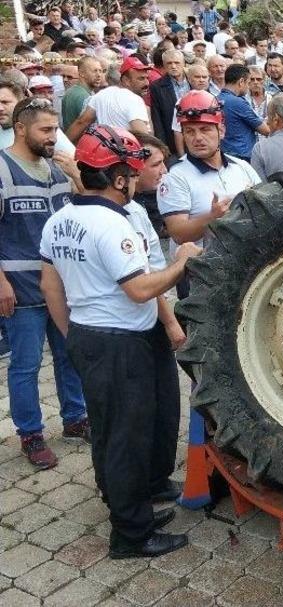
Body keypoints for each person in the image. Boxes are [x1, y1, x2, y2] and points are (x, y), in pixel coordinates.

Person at [40, 125, 199, 559]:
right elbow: (142, 288)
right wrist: (181, 261)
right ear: (117, 178)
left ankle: (132, 506)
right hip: (120, 340)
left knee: (114, 431)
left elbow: (50, 283)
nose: (134, 180)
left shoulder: (60, 219)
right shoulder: (113, 225)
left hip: (94, 335)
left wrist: (74, 334)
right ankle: (131, 534)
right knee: (125, 437)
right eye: (130, 172)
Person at [0, 97, 87, 470]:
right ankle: (31, 434)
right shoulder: (2, 169)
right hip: (19, 290)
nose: (54, 137)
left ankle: (75, 418)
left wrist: (77, 176)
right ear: (21, 128)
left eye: (55, 129)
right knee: (26, 364)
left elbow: (82, 212)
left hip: (58, 286)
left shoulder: (54, 169)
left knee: (69, 355)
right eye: (46, 130)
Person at [158, 91, 260, 275]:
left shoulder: (242, 166)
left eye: (205, 129)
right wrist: (213, 217)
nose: (197, 138)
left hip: (244, 267)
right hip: (202, 276)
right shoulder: (175, 177)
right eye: (189, 131)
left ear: (221, 131)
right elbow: (178, 233)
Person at [66, 55, 153, 141]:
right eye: (141, 79)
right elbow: (143, 137)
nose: (147, 83)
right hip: (128, 153)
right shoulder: (134, 100)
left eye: (147, 78)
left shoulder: (101, 95)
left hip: (105, 152)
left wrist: (63, 146)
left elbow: (81, 122)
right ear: (126, 81)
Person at [218, 64, 270, 161]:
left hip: (224, 154)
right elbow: (265, 130)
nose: (248, 87)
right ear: (241, 81)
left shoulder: (217, 98)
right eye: (248, 82)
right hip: (241, 157)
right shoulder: (238, 102)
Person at [148, 50, 188, 155]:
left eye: (177, 63)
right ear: (164, 66)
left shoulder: (193, 80)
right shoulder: (156, 87)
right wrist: (163, 147)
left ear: (183, 63)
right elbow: (157, 119)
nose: (173, 66)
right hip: (172, 140)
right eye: (169, 63)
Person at [62, 56, 105, 130]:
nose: (99, 75)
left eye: (100, 71)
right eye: (95, 71)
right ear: (82, 73)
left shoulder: (72, 91)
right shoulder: (83, 96)